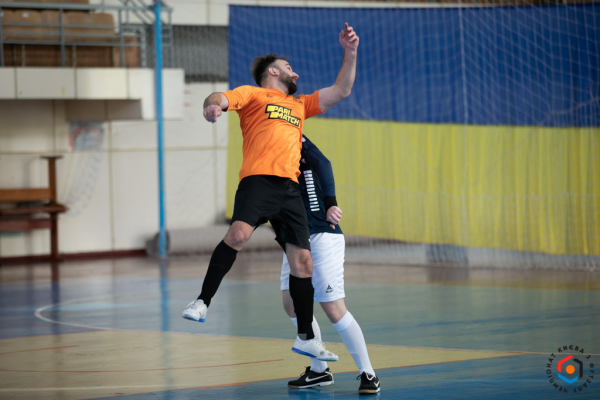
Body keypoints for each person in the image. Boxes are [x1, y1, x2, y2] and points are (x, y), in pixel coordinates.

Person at [182, 23, 359, 361]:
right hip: (258, 180)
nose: (296, 73)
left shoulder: (300, 104)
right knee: (238, 235)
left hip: (290, 190)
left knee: (303, 261)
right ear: (274, 72)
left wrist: (350, 52)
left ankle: (307, 337)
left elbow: (342, 90)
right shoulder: (253, 94)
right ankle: (202, 301)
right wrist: (212, 106)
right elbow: (219, 97)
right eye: (289, 67)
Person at [282, 135, 380, 395]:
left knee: (333, 307)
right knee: (291, 304)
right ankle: (319, 371)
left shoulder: (290, 131)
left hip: (321, 233)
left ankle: (368, 373)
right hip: (294, 238)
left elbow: (323, 163)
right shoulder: (262, 148)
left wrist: (330, 202)